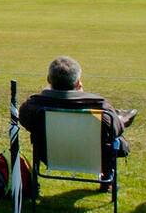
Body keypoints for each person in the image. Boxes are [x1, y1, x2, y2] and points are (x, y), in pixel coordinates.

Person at [19, 56, 136, 190]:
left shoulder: (33, 106)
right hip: (94, 158)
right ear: (78, 82)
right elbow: (115, 130)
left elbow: (24, 120)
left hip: (49, 156)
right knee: (115, 138)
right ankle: (107, 180)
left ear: (48, 80)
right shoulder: (100, 107)